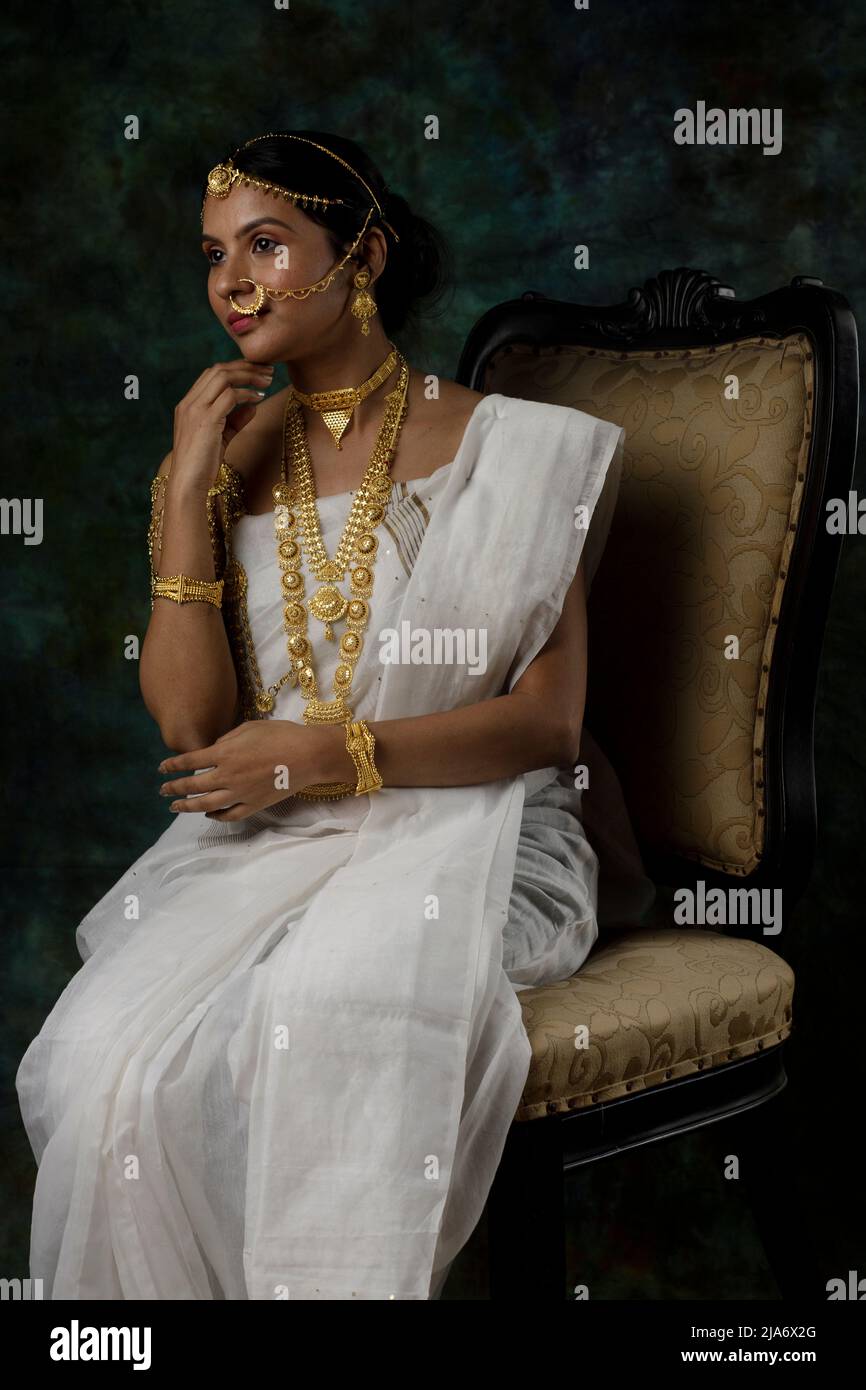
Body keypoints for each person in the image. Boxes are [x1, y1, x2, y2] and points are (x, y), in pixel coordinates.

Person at [15, 129, 653, 1300]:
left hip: (471, 828)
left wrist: (332, 754)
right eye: (213, 255)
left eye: (268, 243)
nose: (233, 283)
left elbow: (548, 726)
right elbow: (190, 729)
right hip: (264, 835)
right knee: (92, 1061)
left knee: (315, 1014)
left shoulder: (514, 452)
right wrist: (187, 489)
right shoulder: (216, 458)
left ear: (361, 253)